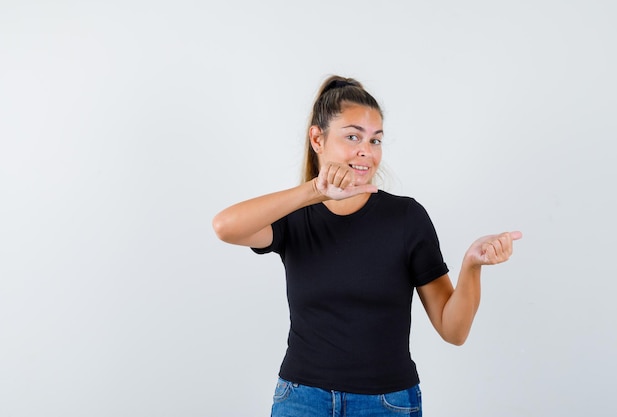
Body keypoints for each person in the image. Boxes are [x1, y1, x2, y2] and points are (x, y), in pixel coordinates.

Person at [212, 75, 522, 417]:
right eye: (352, 136)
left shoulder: (406, 218)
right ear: (317, 138)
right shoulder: (295, 216)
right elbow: (225, 227)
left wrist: (471, 266)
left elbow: (454, 330)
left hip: (387, 403)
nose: (366, 151)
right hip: (302, 400)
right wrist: (314, 191)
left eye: (375, 140)